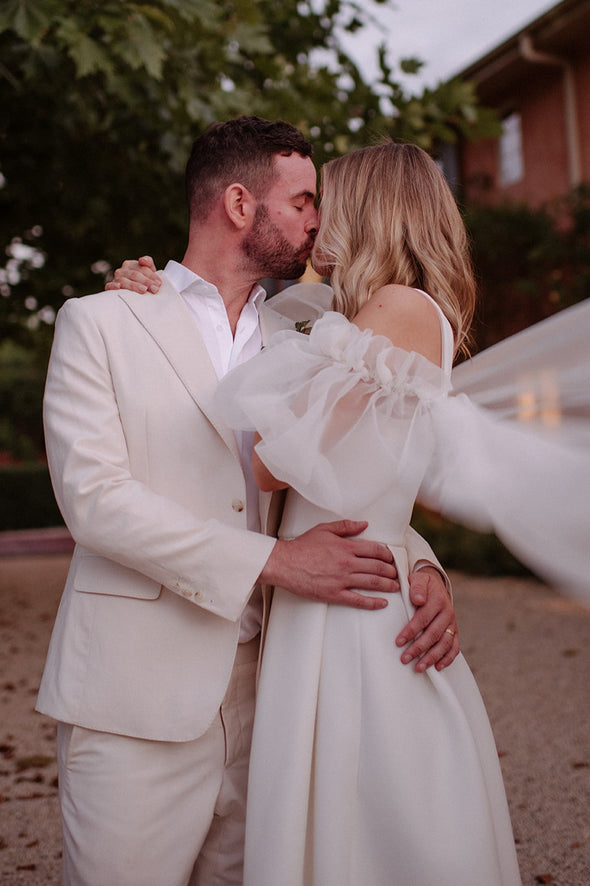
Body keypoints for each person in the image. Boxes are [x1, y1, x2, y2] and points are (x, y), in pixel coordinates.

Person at [38, 117, 457, 886]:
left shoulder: (315, 329)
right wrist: (278, 561)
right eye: (303, 200)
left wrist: (422, 566)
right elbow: (96, 502)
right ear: (239, 204)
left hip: (280, 700)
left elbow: (362, 471)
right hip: (139, 698)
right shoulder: (102, 320)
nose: (319, 220)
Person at [212, 141, 527, 886]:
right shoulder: (380, 313)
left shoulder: (396, 310)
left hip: (350, 609)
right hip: (346, 583)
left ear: (370, 209)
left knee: (371, 823)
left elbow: (273, 463)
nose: (317, 220)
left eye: (329, 200)